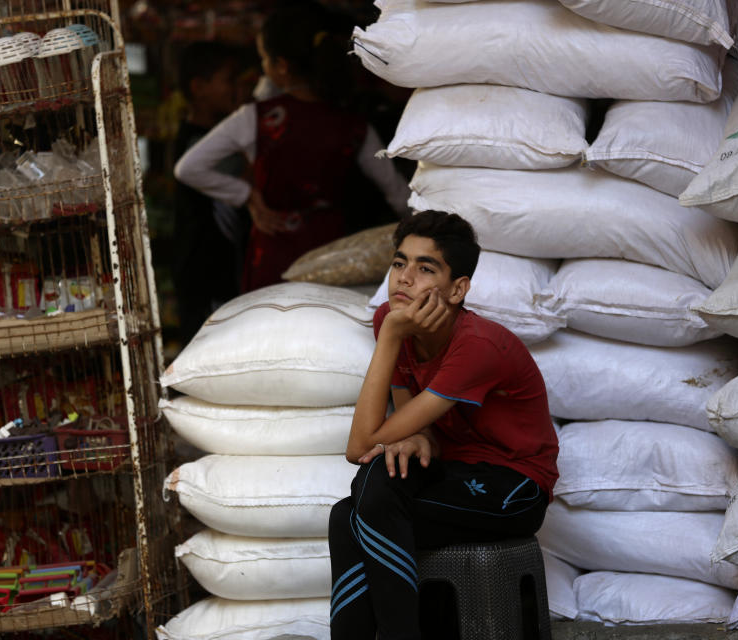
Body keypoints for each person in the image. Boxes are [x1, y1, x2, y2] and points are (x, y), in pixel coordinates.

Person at [329, 211, 559, 639]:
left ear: (458, 289)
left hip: (515, 487)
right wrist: (415, 432)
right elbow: (408, 424)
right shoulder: (392, 322)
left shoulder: (476, 345)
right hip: (454, 472)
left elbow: (359, 443)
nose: (405, 278)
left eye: (425, 268)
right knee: (348, 512)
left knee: (370, 490)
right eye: (399, 263)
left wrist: (393, 336)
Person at [174, 2, 410, 293]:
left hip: (275, 254)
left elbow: (188, 168)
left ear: (281, 67)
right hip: (335, 256)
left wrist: (246, 195)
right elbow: (398, 193)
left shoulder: (258, 118)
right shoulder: (353, 125)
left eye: (264, 60)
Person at [171, 41, 244, 346]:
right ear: (199, 87)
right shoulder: (197, 146)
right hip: (206, 273)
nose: (236, 89)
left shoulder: (212, 137)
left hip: (217, 271)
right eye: (229, 80)